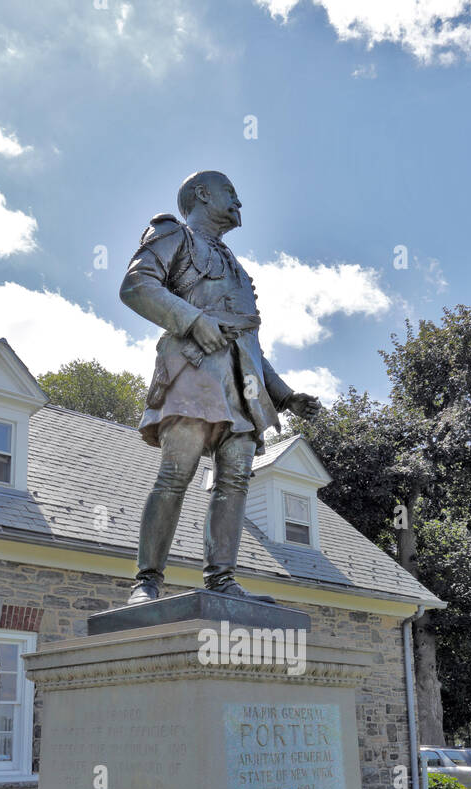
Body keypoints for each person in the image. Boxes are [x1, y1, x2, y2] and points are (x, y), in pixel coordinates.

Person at [119, 170, 320, 604]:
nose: (239, 203)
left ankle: (222, 579)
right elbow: (136, 286)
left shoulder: (238, 270)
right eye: (231, 193)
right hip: (192, 375)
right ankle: (147, 580)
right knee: (175, 476)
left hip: (243, 391)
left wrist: (284, 394)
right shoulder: (174, 235)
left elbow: (249, 342)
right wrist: (193, 320)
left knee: (235, 484)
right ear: (203, 194)